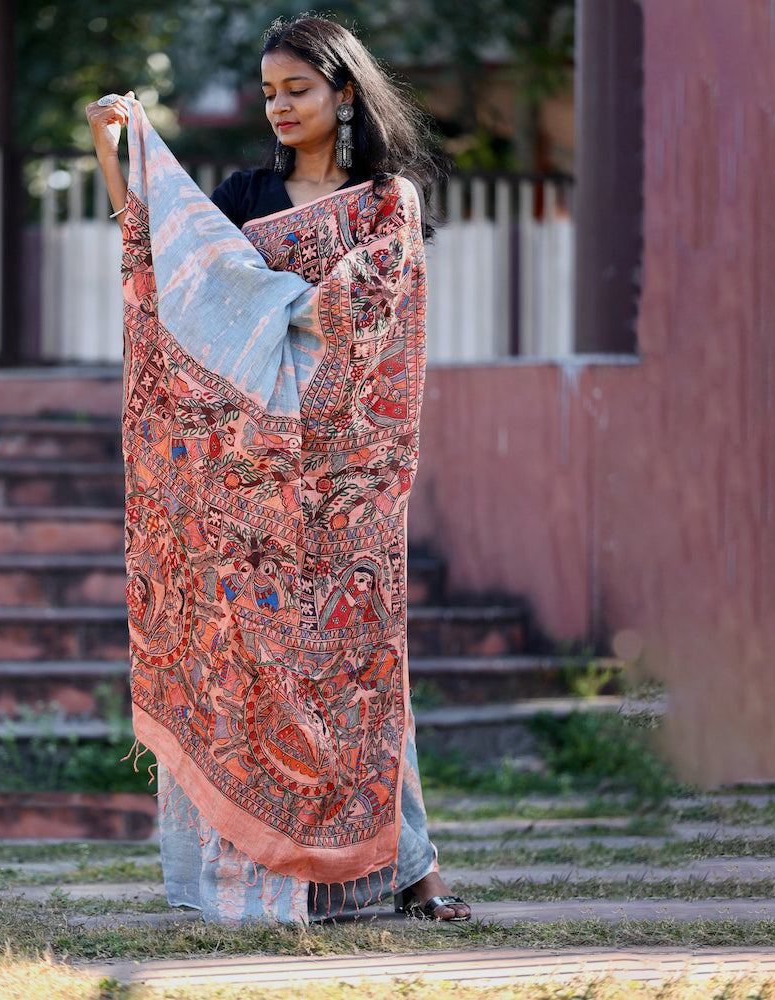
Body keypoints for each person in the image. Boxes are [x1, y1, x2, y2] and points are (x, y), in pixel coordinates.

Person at [86, 14, 471, 925]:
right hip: (246, 485)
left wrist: (276, 308)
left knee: (361, 666)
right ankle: (258, 879)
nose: (280, 107)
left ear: (344, 91)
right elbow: (163, 267)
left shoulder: (386, 204)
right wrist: (120, 150)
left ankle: (413, 872)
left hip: (345, 476)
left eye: (297, 89)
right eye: (268, 93)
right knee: (249, 662)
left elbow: (372, 317)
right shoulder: (245, 194)